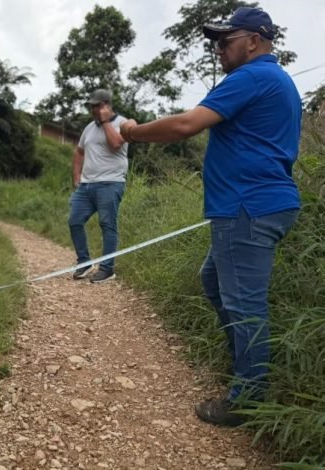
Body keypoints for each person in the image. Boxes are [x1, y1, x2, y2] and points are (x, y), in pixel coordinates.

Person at [119, 7, 301, 427]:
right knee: (214, 281)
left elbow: (186, 125)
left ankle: (247, 398)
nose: (218, 48)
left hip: (247, 207)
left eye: (225, 40)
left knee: (244, 304)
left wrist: (132, 132)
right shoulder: (279, 81)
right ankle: (244, 363)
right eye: (216, 42)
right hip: (260, 204)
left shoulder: (251, 77)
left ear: (253, 41)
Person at [68, 89, 129, 283]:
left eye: (97, 106)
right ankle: (84, 262)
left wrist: (105, 122)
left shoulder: (123, 123)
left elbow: (116, 144)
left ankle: (107, 269)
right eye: (91, 106)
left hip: (110, 183)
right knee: (74, 221)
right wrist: (77, 177)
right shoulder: (89, 128)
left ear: (107, 105)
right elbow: (79, 152)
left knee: (107, 224)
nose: (93, 109)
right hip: (86, 185)